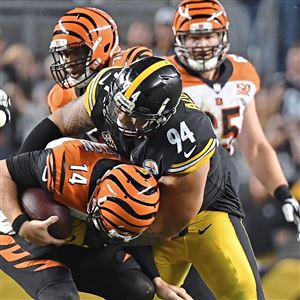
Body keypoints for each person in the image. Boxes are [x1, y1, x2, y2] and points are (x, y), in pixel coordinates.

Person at [16, 55, 267, 298]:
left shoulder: (187, 135)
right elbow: (58, 123)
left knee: (244, 294)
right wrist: (23, 173)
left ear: (161, 118)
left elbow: (170, 225)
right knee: (140, 291)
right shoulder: (105, 87)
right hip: (140, 205)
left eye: (136, 116)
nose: (122, 119)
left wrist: (94, 225)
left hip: (205, 213)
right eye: (121, 107)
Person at [167, 0, 300, 297]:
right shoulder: (165, 77)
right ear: (179, 39)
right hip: (172, 199)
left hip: (219, 195)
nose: (202, 44)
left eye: (209, 35)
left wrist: (282, 192)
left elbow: (255, 146)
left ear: (223, 35)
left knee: (245, 291)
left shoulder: (242, 73)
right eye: (194, 37)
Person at [0, 137, 192, 300]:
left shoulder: (135, 184)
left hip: (73, 238)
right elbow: (2, 172)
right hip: (15, 231)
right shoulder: (62, 167)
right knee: (60, 294)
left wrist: (157, 280)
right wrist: (21, 223)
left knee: (139, 287)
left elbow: (129, 229)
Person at [47, 6, 153, 113]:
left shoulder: (128, 64)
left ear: (103, 46)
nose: (68, 62)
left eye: (76, 52)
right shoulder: (60, 97)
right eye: (63, 53)